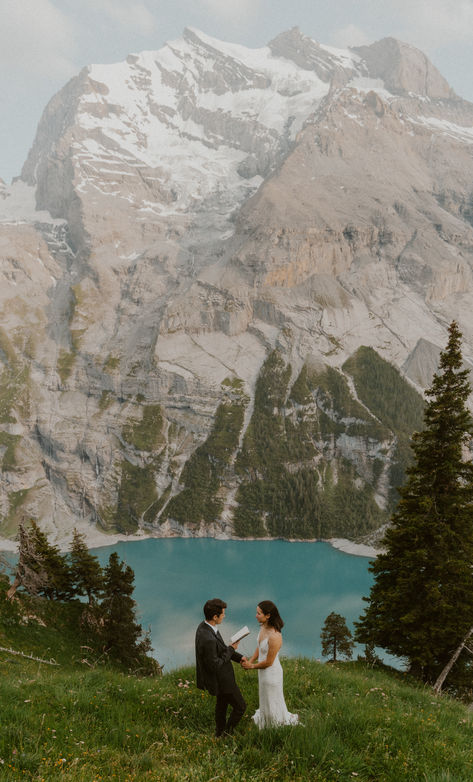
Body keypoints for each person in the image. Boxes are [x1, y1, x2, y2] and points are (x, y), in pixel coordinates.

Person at [241, 600, 299, 728]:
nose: (256, 616)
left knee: (272, 699)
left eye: (259, 613)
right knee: (265, 697)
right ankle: (267, 719)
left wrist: (252, 666)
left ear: (268, 616)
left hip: (271, 673)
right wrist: (250, 661)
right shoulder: (263, 627)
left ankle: (274, 725)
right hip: (262, 671)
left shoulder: (275, 636)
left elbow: (269, 661)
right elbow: (259, 647)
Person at [195, 597, 247, 737]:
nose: (224, 616)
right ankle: (226, 734)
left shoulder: (205, 627)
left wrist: (239, 657)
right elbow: (215, 665)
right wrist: (231, 649)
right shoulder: (208, 639)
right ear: (215, 616)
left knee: (222, 706)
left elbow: (221, 649)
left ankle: (219, 734)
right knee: (240, 707)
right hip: (222, 679)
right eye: (223, 614)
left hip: (219, 679)